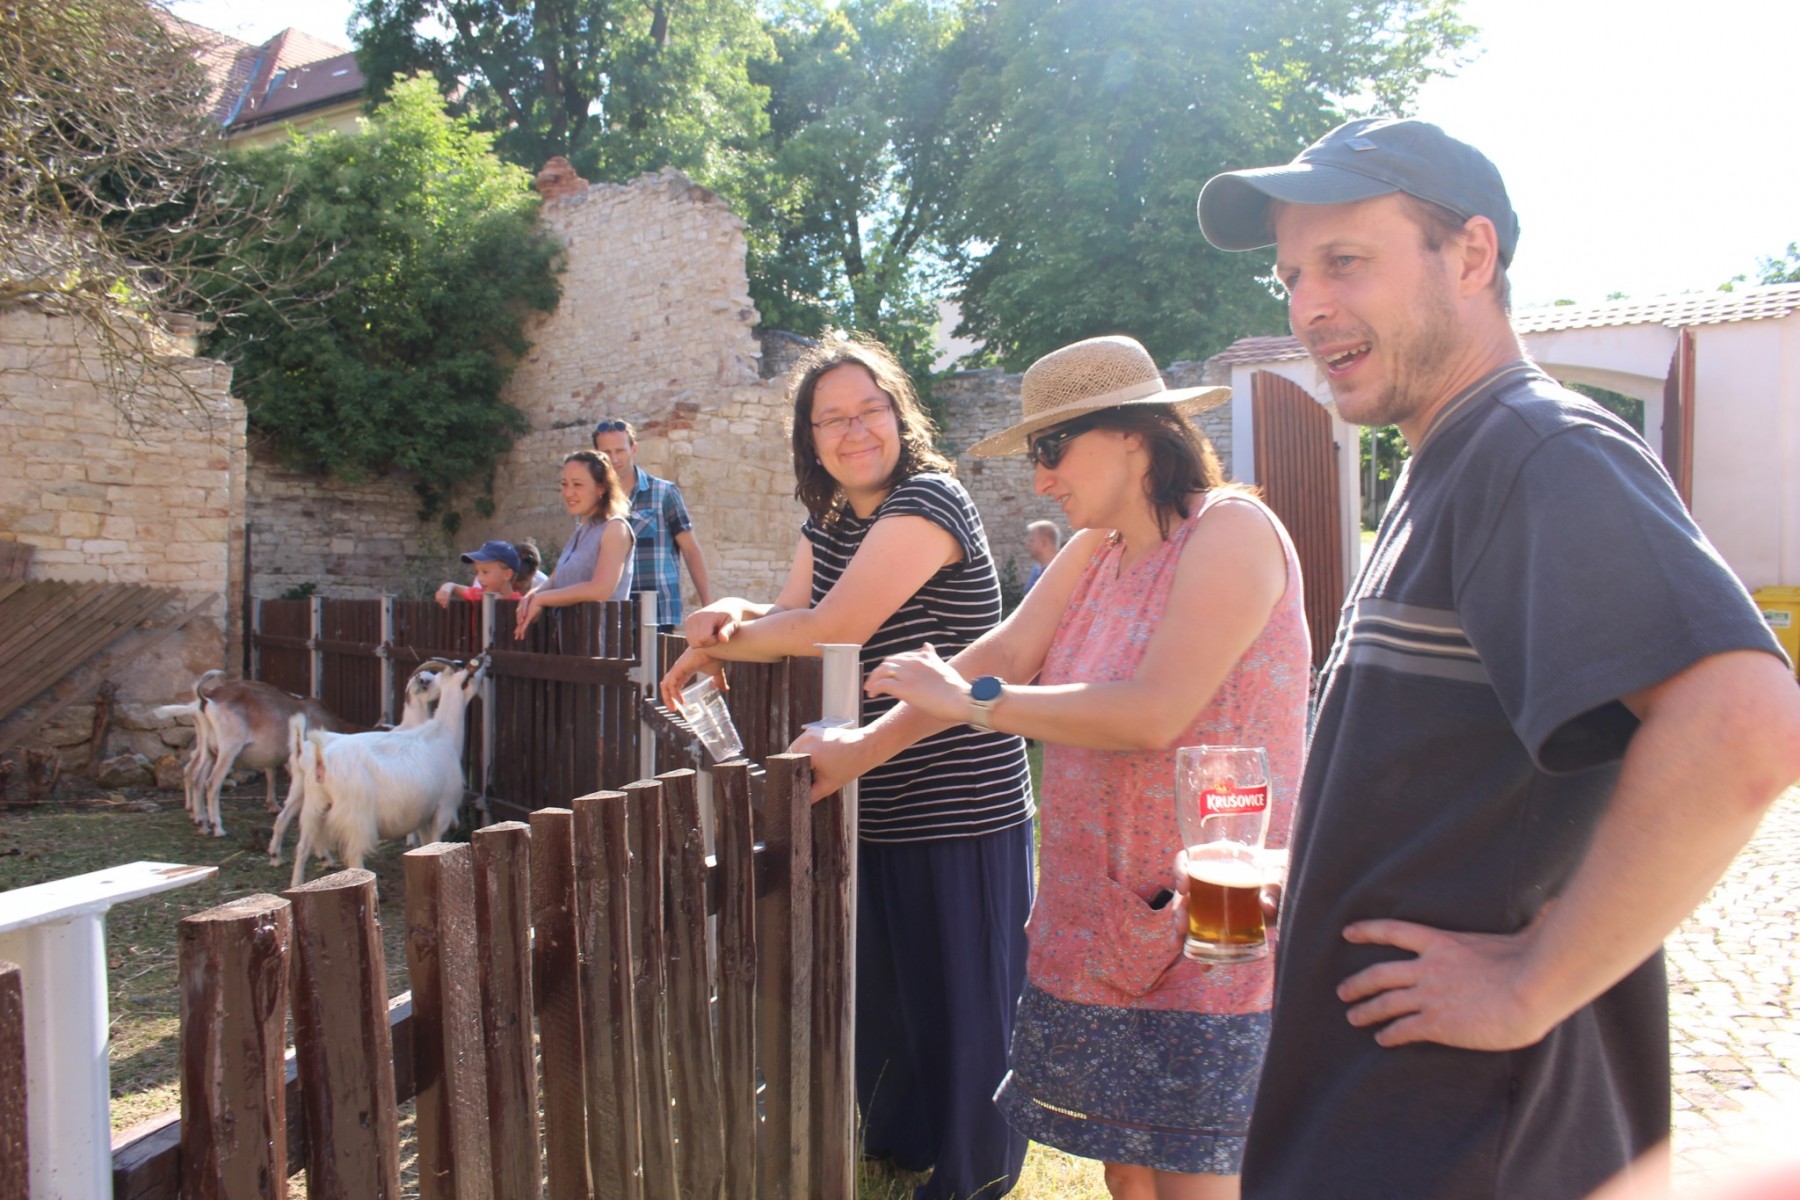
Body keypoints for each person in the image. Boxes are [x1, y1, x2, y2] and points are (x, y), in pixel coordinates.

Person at [1196, 117, 1800, 1200]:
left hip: (1465, 1140)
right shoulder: (1448, 463)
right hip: (1395, 1117)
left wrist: (1532, 981)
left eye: (1345, 261)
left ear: (1471, 255)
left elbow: (1745, 724)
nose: (1309, 305)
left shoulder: (1534, 448)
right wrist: (1330, 867)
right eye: (1292, 277)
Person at [795, 334, 1311, 1200]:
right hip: (1106, 922)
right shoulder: (1095, 549)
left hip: (1211, 924)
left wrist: (977, 703)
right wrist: (860, 749)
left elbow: (1152, 712)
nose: (1039, 479)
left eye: (1050, 449)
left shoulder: (1230, 531)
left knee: (1192, 1180)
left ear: (1135, 433)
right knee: (1129, 1177)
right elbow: (1003, 652)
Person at [657, 337, 1035, 1200]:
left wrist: (723, 642)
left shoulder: (929, 500)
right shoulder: (830, 519)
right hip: (876, 785)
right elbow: (792, 612)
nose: (854, 430)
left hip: (959, 795)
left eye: (870, 410)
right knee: (896, 994)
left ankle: (973, 1175)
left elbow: (837, 625)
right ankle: (899, 1149)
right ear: (810, 439)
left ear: (901, 416)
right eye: (832, 418)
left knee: (964, 1001)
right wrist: (732, 613)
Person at [592, 418, 714, 624]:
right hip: (611, 613)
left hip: (658, 612)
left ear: (634, 449)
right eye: (606, 453)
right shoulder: (594, 501)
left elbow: (691, 550)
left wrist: (708, 606)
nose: (614, 459)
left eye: (620, 451)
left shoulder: (664, 493)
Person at [516, 450, 635, 639]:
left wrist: (542, 598)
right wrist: (531, 596)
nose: (568, 492)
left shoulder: (615, 529)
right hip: (570, 644)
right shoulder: (580, 531)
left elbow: (600, 589)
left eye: (577, 484)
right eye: (564, 484)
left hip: (601, 646)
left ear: (601, 488)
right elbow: (555, 580)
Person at [435, 539, 532, 607]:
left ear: (507, 574)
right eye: (477, 572)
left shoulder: (520, 604)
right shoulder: (478, 595)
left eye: (485, 572)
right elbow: (454, 587)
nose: (479, 578)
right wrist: (446, 588)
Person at [1022, 519, 1061, 593]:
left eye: (1032, 541)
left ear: (1044, 543)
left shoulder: (1061, 573)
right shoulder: (1036, 570)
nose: (1028, 544)